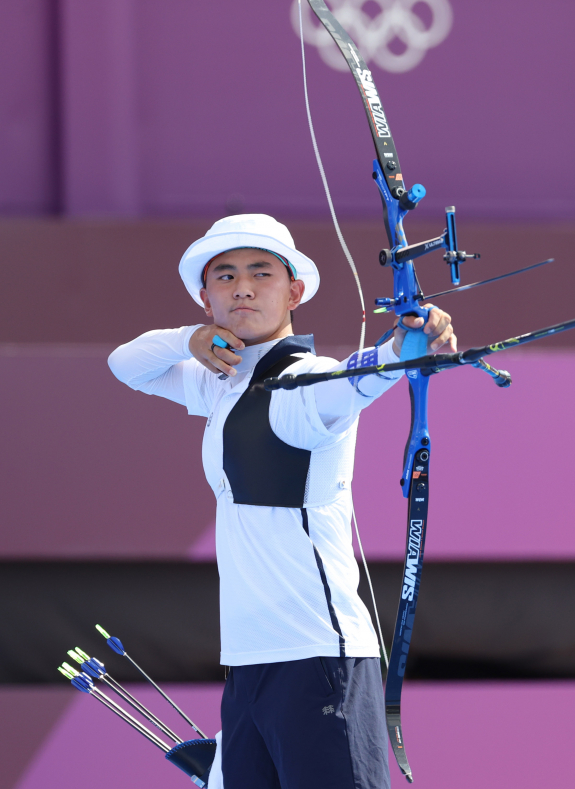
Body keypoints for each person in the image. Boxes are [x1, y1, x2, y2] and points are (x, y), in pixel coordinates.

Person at [108, 213, 454, 789]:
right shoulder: (218, 379)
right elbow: (126, 365)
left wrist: (406, 342)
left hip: (320, 660)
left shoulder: (306, 382)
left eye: (261, 272)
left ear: (294, 291)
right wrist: (188, 341)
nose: (242, 286)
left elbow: (355, 378)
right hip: (247, 664)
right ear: (205, 296)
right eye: (225, 276)